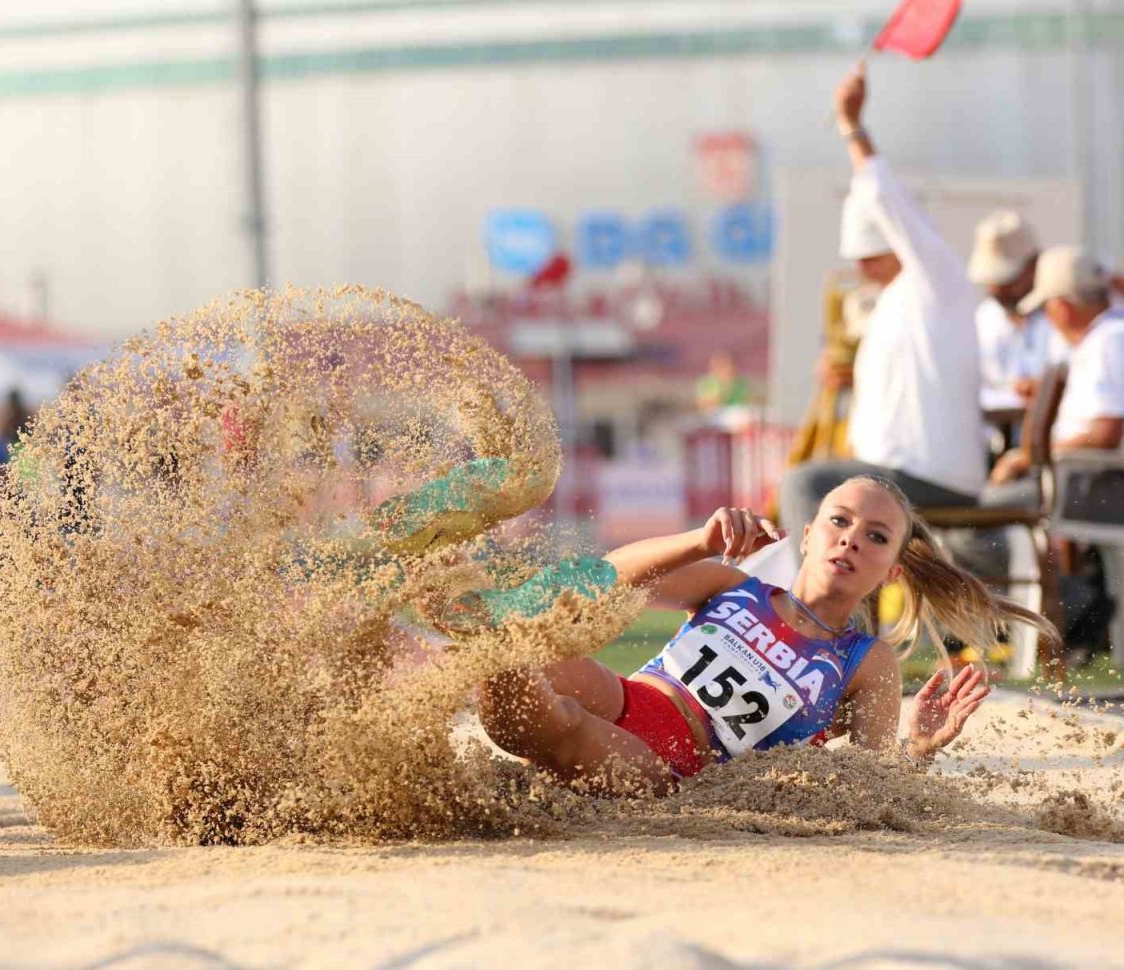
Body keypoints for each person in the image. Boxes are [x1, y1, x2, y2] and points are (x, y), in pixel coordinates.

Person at [468, 475, 1054, 795]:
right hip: (633, 695)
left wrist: (920, 748)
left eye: (877, 537)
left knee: (565, 718)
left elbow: (873, 783)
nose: (850, 540)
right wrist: (699, 541)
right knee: (527, 654)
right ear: (807, 535)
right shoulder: (736, 586)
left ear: (893, 571)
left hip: (674, 765)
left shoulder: (863, 660)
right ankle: (441, 653)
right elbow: (612, 578)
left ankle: (533, 735)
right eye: (840, 521)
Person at [780, 67, 984, 538]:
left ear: (897, 245)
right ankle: (845, 610)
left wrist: (853, 127)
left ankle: (816, 609)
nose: (864, 269)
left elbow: (887, 199)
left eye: (870, 257)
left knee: (804, 485)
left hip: (930, 478)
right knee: (832, 498)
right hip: (895, 474)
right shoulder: (899, 301)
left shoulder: (936, 278)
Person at [989, 246, 1124, 501]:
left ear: (1062, 308)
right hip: (1082, 482)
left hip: (1088, 488)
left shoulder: (1107, 342)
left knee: (975, 517)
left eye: (1046, 308)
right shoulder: (1106, 337)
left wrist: (1027, 458)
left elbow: (1105, 434)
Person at [968, 211, 1066, 415]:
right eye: (992, 281)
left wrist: (1047, 388)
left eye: (1007, 280)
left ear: (1034, 265)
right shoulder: (985, 318)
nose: (998, 289)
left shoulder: (1067, 315)